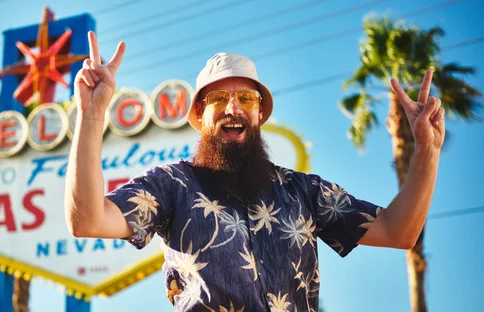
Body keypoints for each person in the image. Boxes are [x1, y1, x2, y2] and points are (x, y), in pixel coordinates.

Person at [64, 31, 445, 311]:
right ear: (200, 115)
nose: (233, 108)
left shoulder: (303, 192)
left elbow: (399, 231)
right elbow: (87, 220)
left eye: (246, 98)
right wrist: (92, 113)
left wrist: (427, 150)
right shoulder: (171, 185)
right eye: (218, 98)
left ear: (260, 113)